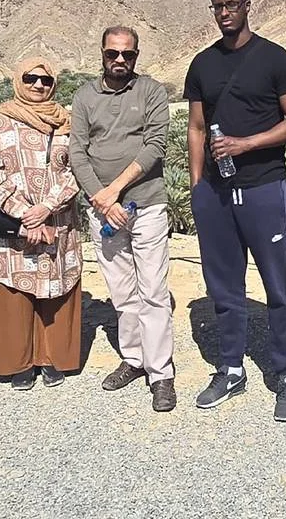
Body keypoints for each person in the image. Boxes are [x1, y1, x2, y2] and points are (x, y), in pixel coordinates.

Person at [185, 0, 286, 422]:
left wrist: (246, 144)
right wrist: (198, 186)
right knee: (223, 286)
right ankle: (231, 368)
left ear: (247, 5)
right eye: (217, 6)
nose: (224, 13)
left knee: (278, 285)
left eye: (232, 4)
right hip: (216, 193)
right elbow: (196, 127)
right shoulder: (202, 64)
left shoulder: (275, 58)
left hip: (263, 187)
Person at [70, 27, 177, 412]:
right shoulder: (84, 96)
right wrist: (102, 199)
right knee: (122, 290)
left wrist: (113, 190)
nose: (120, 60)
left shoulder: (150, 91)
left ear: (136, 55)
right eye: (113, 53)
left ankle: (161, 373)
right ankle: (134, 358)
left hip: (145, 205)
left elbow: (155, 145)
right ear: (102, 53)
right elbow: (77, 152)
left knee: (153, 290)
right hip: (104, 210)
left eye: (127, 54)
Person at [0, 57, 82, 390]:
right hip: (16, 221)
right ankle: (19, 363)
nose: (38, 85)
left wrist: (47, 207)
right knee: (16, 290)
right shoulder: (1, 121)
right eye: (30, 78)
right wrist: (26, 213)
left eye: (45, 80)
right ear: (18, 80)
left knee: (56, 286)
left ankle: (51, 358)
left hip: (58, 219)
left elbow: (78, 169)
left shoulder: (67, 122)